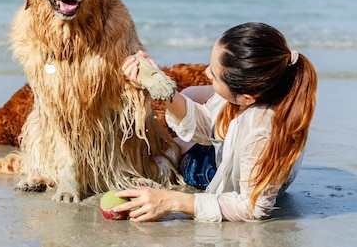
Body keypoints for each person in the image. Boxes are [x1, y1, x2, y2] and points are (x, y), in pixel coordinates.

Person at [115, 22, 317, 222]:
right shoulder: (259, 89)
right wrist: (158, 82)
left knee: (186, 158)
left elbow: (253, 207)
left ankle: (183, 155)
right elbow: (204, 122)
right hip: (238, 150)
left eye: (215, 75)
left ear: (247, 98)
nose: (206, 73)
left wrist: (174, 202)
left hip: (247, 178)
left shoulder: (261, 132)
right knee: (188, 112)